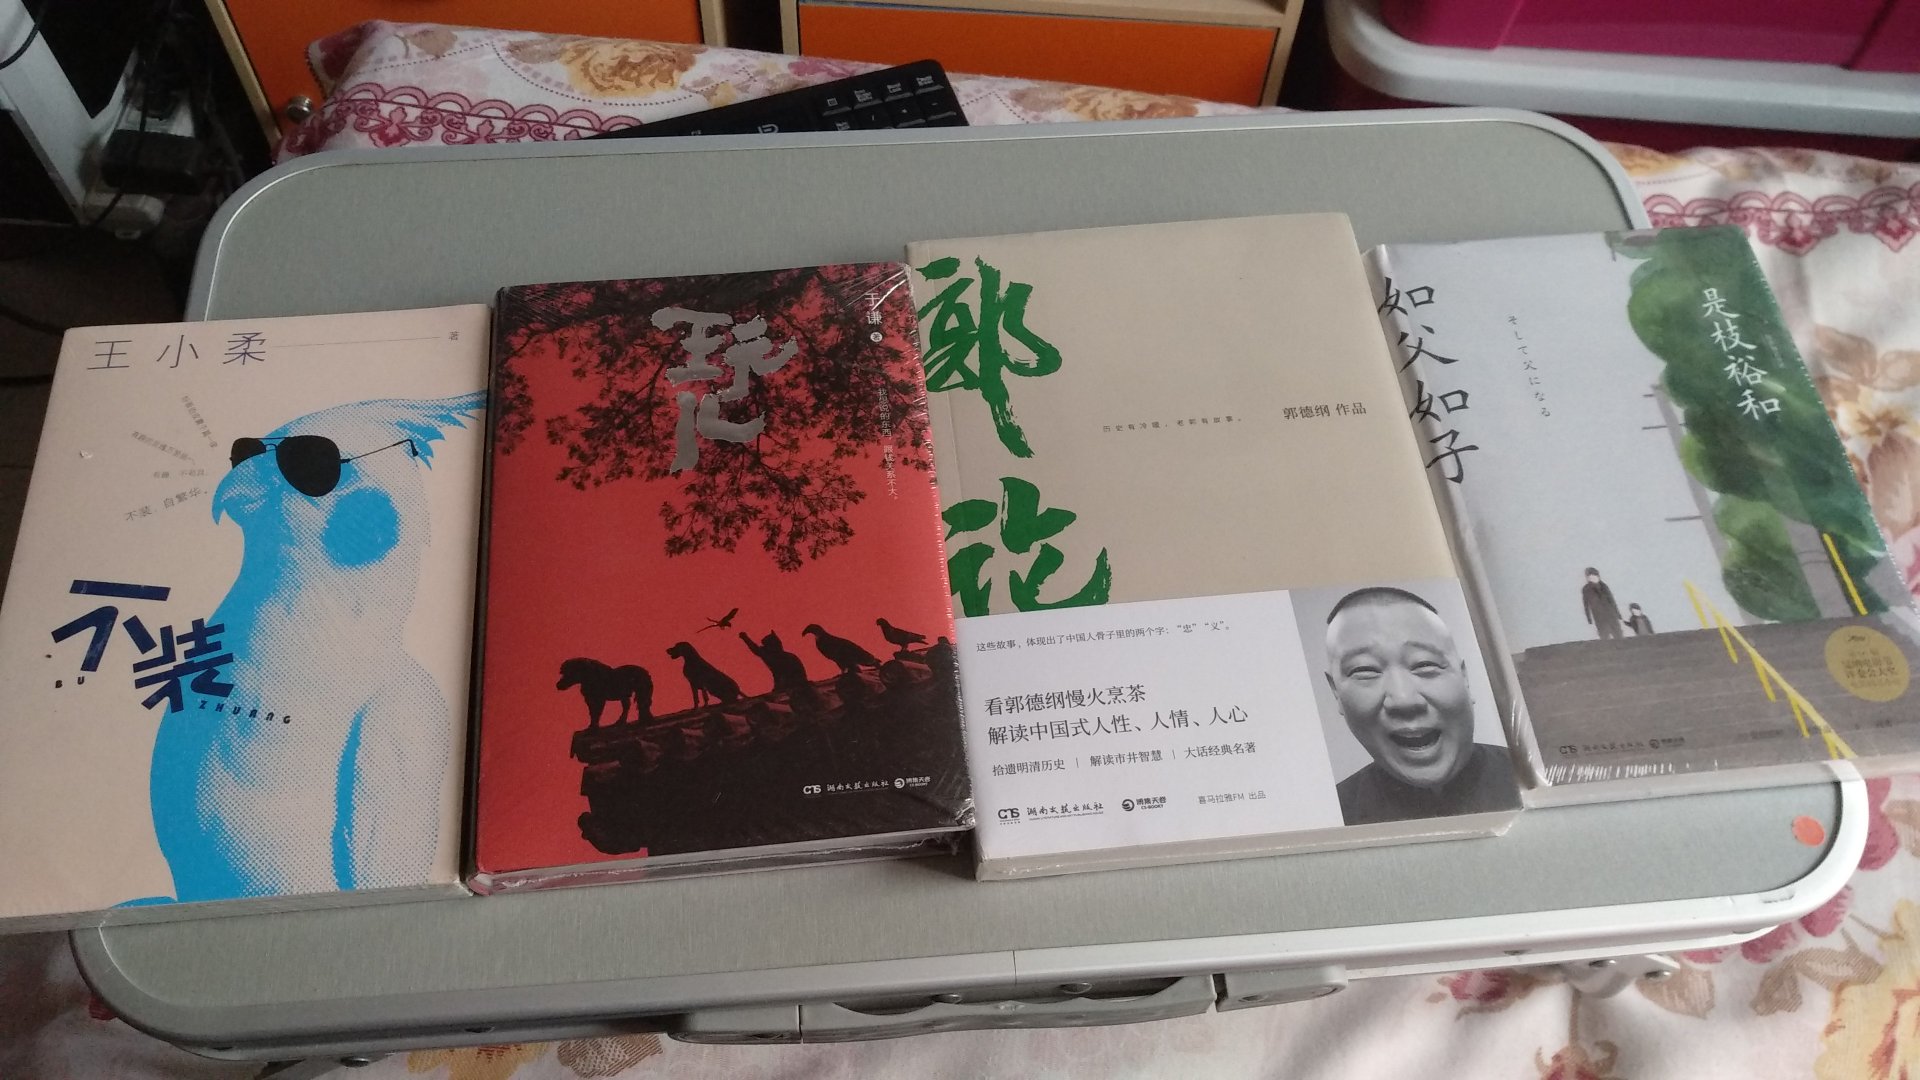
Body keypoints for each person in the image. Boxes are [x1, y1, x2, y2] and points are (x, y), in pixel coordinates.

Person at [1324, 586, 1519, 826]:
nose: (1404, 699)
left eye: (1425, 664)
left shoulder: (1529, 776)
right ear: (1336, 692)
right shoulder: (1328, 815)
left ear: (1465, 678)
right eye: (1365, 670)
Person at [1581, 567, 1623, 640]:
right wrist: (1589, 619)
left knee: (1618, 635)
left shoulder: (1604, 586)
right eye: (1590, 577)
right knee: (1604, 637)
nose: (1592, 578)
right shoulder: (1586, 589)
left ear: (1598, 576)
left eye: (1594, 576)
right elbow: (1586, 605)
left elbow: (1612, 600)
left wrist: (1618, 614)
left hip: (1611, 614)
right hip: (1599, 617)